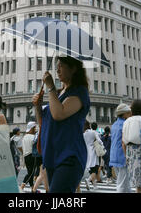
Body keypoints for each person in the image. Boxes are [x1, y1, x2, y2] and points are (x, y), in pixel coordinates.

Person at [32, 56, 91, 193]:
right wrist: (38, 106)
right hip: (52, 156)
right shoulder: (58, 94)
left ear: (74, 68)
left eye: (62, 65)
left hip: (69, 156)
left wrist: (51, 87)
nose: (57, 69)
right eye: (57, 65)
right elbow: (43, 122)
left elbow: (59, 114)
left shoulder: (79, 92)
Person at [109, 103, 132, 193]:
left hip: (114, 155)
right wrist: (127, 156)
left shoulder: (114, 124)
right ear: (124, 113)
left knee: (124, 182)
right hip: (122, 155)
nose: (130, 114)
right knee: (122, 183)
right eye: (128, 112)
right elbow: (124, 141)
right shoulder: (125, 124)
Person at [83, 120, 103, 190]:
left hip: (86, 152)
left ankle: (95, 186)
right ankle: (88, 180)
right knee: (95, 169)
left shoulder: (83, 134)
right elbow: (99, 141)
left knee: (91, 170)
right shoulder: (93, 132)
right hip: (94, 152)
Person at [20, 121, 37, 192]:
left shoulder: (24, 137)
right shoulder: (34, 137)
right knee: (31, 173)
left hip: (26, 156)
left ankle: (33, 189)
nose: (35, 129)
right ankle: (21, 188)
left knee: (30, 172)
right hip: (32, 156)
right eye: (35, 128)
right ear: (32, 128)